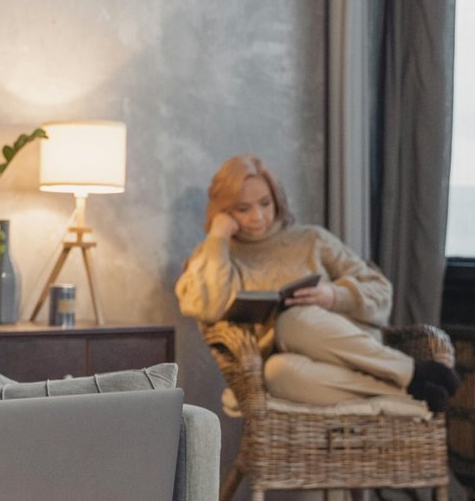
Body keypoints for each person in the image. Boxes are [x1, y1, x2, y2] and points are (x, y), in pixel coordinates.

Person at [176, 154, 459, 411]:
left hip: (355, 354)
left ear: (276, 199)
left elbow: (380, 290)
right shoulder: (216, 256)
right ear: (224, 211)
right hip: (303, 370)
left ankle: (409, 370)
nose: (258, 217)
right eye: (242, 209)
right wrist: (217, 238)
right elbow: (210, 306)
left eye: (265, 203)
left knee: (291, 320)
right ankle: (411, 390)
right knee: (275, 372)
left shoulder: (311, 239)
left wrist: (333, 296)